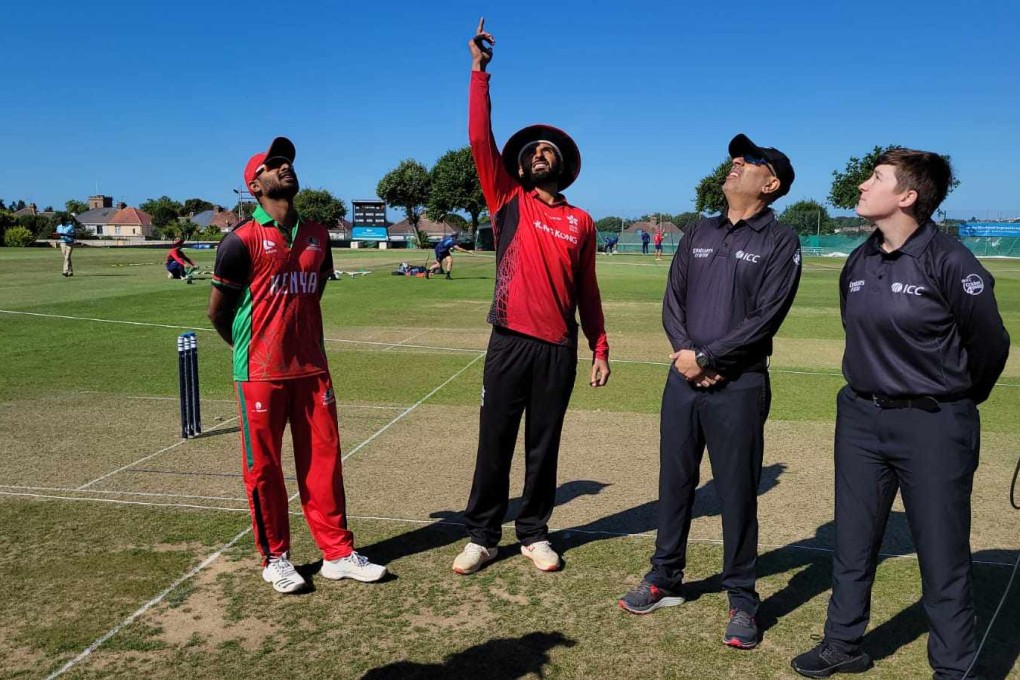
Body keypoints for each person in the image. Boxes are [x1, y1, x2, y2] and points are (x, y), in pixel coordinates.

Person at [791, 150, 1009, 680]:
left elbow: (990, 345)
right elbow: (857, 326)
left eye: (877, 178)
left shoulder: (950, 260)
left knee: (941, 551)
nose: (863, 185)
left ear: (908, 196)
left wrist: (951, 400)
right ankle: (842, 644)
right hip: (862, 420)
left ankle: (954, 668)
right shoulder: (859, 260)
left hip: (935, 423)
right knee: (853, 539)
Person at [617, 134, 802, 650]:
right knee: (675, 482)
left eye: (749, 161)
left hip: (739, 385)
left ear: (771, 183)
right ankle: (664, 578)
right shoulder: (699, 230)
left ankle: (742, 598)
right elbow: (672, 301)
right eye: (734, 158)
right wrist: (686, 355)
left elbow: (766, 317)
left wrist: (710, 358)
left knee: (737, 492)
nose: (735, 163)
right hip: (682, 379)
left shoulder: (780, 240)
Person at [453, 18, 611, 576]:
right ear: (520, 165)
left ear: (561, 164)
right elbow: (478, 139)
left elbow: (586, 289)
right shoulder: (506, 200)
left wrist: (600, 345)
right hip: (509, 342)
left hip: (557, 348)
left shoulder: (581, 221)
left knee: (544, 446)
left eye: (549, 151)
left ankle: (535, 533)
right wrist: (479, 72)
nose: (541, 154)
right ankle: (481, 535)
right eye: (534, 151)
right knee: (494, 441)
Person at [207, 136, 387, 594]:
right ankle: (276, 559)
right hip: (260, 373)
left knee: (324, 464)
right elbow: (217, 311)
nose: (285, 167)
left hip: (311, 369)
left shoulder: (318, 235)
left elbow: (314, 293)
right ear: (255, 185)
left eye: (287, 162)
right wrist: (252, 348)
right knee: (264, 470)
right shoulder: (239, 240)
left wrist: (297, 338)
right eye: (274, 164)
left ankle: (337, 554)